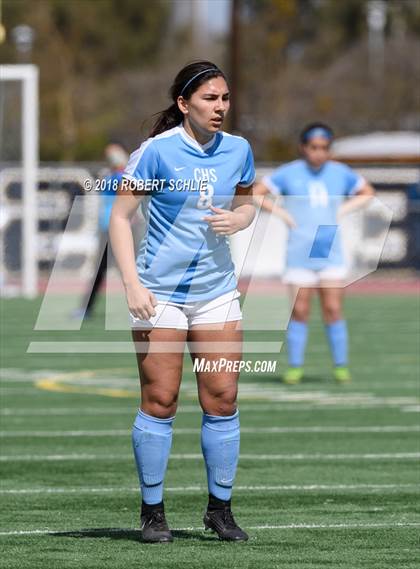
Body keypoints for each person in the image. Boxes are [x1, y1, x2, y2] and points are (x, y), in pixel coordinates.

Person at [109, 61, 256, 543]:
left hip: (216, 292)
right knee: (161, 400)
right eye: (210, 99)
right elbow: (120, 217)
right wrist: (131, 284)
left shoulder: (238, 149)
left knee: (223, 398)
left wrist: (241, 218)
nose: (220, 108)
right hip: (160, 294)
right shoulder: (155, 152)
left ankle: (220, 509)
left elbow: (247, 199)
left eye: (225, 99)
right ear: (184, 104)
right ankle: (152, 512)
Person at [253, 122, 374, 384]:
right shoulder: (288, 173)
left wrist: (342, 210)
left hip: (329, 251)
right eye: (313, 147)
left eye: (324, 148)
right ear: (303, 147)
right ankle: (295, 368)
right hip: (299, 252)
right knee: (299, 311)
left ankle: (341, 367)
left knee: (332, 308)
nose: (319, 153)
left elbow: (367, 193)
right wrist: (282, 214)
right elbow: (256, 193)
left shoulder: (340, 173)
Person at [74, 143, 128, 319]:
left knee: (126, 271)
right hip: (107, 228)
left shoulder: (120, 177)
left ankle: (142, 304)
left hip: (115, 230)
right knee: (104, 271)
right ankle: (86, 308)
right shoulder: (112, 176)